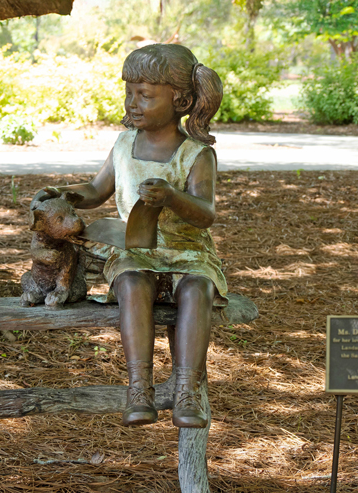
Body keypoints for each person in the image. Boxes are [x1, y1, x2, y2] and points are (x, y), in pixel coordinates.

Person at [31, 43, 227, 428]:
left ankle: (187, 390)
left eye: (145, 95)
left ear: (181, 100)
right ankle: (140, 387)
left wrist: (172, 197)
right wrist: (67, 193)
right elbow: (96, 189)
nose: (133, 103)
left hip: (188, 254)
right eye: (129, 93)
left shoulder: (195, 155)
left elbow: (205, 214)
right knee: (133, 284)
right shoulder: (123, 145)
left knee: (196, 290)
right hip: (136, 252)